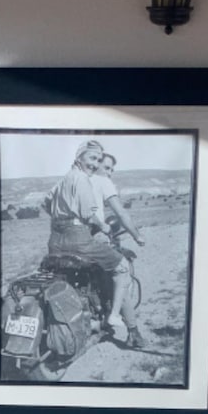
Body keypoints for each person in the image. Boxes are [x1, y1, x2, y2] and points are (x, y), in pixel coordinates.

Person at [45, 140, 144, 347]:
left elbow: (45, 203)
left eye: (99, 161)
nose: (97, 165)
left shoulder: (63, 179)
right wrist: (109, 228)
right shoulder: (87, 179)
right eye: (94, 159)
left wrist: (63, 219)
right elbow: (95, 214)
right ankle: (123, 323)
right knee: (121, 269)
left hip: (55, 241)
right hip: (82, 238)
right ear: (79, 157)